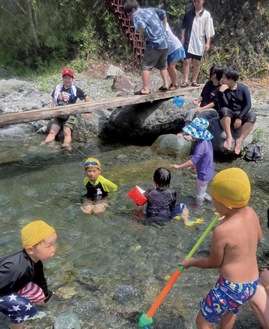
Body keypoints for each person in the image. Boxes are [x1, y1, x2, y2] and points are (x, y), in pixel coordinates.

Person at [178, 167, 263, 329]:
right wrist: (229, 217)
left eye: (215, 201)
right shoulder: (252, 213)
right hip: (251, 284)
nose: (213, 205)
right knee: (231, 310)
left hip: (230, 288)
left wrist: (191, 262)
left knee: (202, 321)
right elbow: (258, 238)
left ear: (227, 205)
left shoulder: (222, 231)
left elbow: (214, 262)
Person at [0, 220, 57, 329]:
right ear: (30, 250)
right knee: (23, 307)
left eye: (54, 244)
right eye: (48, 246)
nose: (53, 249)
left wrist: (46, 296)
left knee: (37, 293)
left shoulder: (36, 262)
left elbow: (40, 280)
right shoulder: (14, 268)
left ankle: (21, 313)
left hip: (9, 287)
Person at [124, 0, 169, 95]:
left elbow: (142, 25)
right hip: (165, 42)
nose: (129, 17)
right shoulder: (150, 10)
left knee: (145, 66)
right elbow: (163, 13)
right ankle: (166, 84)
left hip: (154, 43)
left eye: (129, 14)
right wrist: (164, 29)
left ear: (132, 10)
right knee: (163, 65)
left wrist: (140, 36)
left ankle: (145, 89)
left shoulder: (136, 14)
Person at [171, 117, 215, 207]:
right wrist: (195, 166)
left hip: (203, 174)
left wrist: (179, 167)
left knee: (199, 193)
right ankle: (211, 200)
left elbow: (192, 161)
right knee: (203, 189)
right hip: (210, 171)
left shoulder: (201, 146)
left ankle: (198, 206)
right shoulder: (207, 141)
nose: (191, 135)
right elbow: (203, 157)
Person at [43, 69, 90, 151]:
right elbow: (52, 99)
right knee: (52, 132)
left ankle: (66, 145)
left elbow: (86, 98)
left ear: (72, 79)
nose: (67, 80)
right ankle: (43, 146)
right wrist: (52, 112)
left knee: (66, 132)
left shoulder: (75, 89)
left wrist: (87, 111)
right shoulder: (58, 88)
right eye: (65, 78)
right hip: (59, 115)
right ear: (63, 79)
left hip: (70, 115)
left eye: (69, 78)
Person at [218, 66, 256, 155]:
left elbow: (248, 105)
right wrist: (221, 93)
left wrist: (239, 118)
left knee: (252, 115)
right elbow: (224, 105)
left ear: (230, 79)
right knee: (223, 110)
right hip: (229, 114)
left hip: (240, 114)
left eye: (224, 77)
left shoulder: (243, 88)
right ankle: (229, 137)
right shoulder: (223, 88)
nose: (222, 79)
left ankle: (240, 140)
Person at [181, 0, 215, 87]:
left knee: (197, 62)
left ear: (203, 1)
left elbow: (209, 30)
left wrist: (208, 43)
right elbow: (184, 26)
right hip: (189, 40)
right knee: (186, 61)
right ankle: (185, 80)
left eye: (198, 2)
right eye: (195, 1)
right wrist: (182, 37)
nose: (196, 3)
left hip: (199, 41)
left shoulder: (206, 14)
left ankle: (194, 80)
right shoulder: (189, 13)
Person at [166, 23, 186, 90]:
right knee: (169, 67)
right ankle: (173, 83)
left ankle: (175, 84)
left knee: (171, 66)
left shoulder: (164, 24)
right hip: (170, 50)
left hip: (176, 47)